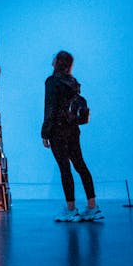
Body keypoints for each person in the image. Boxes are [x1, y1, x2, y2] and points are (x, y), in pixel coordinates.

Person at [41, 50, 103, 222]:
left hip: (57, 131)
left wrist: (45, 133)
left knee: (65, 169)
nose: (51, 59)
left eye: (54, 57)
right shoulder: (73, 82)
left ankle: (71, 209)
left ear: (58, 62)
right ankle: (92, 207)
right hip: (73, 130)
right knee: (81, 165)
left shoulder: (52, 82)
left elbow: (50, 108)